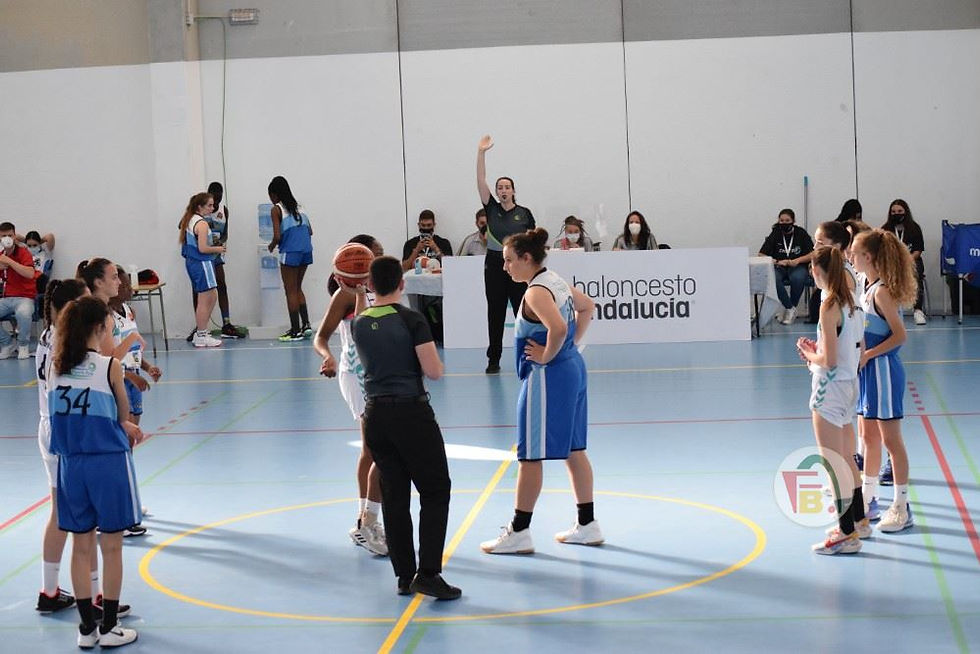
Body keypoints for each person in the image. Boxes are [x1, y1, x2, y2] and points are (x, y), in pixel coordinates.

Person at [480, 228, 603, 554]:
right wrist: (569, 347)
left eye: (509, 260)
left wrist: (548, 355)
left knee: (530, 456)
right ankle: (587, 524)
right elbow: (587, 306)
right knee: (574, 449)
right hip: (573, 369)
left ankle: (519, 531)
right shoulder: (554, 280)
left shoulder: (535, 293)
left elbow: (558, 328)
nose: (505, 267)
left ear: (526, 258)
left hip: (547, 378)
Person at [351, 256, 460, 600]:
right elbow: (434, 371)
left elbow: (365, 321)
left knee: (395, 495)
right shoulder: (411, 319)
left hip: (375, 415)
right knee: (435, 490)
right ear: (402, 284)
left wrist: (358, 294)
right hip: (411, 412)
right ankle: (428, 573)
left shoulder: (359, 323)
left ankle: (403, 575)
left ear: (371, 285)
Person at [48, 296, 143, 649]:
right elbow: (122, 414)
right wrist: (126, 426)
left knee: (81, 546)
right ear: (100, 328)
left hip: (71, 465)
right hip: (108, 463)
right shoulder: (109, 367)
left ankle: (86, 628)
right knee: (112, 547)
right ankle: (110, 627)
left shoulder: (56, 367)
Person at [314, 235, 387, 557]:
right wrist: (327, 357)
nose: (379, 258)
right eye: (374, 254)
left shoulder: (383, 289)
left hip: (381, 373)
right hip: (355, 374)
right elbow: (321, 337)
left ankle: (368, 520)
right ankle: (363, 522)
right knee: (373, 449)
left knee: (379, 449)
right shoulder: (344, 294)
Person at [796, 247, 869, 554]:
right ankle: (859, 521)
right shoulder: (853, 301)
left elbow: (828, 360)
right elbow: (854, 349)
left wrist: (808, 354)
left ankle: (845, 534)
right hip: (850, 385)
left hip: (829, 388)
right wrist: (821, 350)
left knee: (832, 462)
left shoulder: (828, 305)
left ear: (816, 271)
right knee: (847, 457)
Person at [851, 230, 918, 533]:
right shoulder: (865, 286)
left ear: (868, 257)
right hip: (867, 372)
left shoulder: (881, 293)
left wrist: (868, 354)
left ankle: (902, 507)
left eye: (854, 252)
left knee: (891, 440)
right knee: (868, 437)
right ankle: (868, 499)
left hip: (883, 372)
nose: (850, 256)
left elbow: (900, 336)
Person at [34, 279, 89, 615]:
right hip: (64, 430)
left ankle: (50, 590)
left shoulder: (47, 334)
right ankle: (94, 597)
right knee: (81, 517)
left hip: (49, 426)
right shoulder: (64, 342)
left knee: (59, 511)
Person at [476, 135, 536, 374]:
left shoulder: (524, 213)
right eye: (499, 187)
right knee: (495, 312)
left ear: (513, 191)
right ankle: (494, 359)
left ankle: (528, 355)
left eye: (507, 187)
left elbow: (533, 243)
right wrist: (481, 153)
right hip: (494, 264)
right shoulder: (491, 208)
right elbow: (480, 180)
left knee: (524, 311)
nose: (503, 190)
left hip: (518, 267)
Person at [186, 182, 242, 340]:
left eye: (218, 200)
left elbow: (225, 234)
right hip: (201, 255)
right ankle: (200, 327)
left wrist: (219, 242)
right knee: (199, 290)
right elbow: (184, 226)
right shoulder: (199, 213)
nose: (215, 204)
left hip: (215, 255)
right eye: (213, 201)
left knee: (220, 285)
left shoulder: (224, 211)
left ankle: (226, 323)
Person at [109, 266, 163, 425]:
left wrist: (148, 367)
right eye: (125, 286)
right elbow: (107, 356)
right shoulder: (107, 316)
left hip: (135, 373)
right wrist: (130, 376)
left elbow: (132, 350)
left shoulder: (130, 311)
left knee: (134, 427)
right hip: (120, 376)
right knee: (126, 424)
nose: (130, 289)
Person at [267, 175, 314, 341]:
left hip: (291, 251)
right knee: (298, 287)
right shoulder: (300, 207)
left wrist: (271, 245)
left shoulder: (276, 209)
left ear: (274, 194)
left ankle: (295, 330)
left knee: (290, 290)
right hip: (306, 251)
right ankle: (306, 325)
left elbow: (277, 236)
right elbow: (310, 231)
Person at [178, 192, 225, 348]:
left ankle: (201, 332)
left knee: (212, 296)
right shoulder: (202, 224)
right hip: (201, 263)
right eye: (209, 205)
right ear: (199, 207)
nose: (212, 208)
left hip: (194, 262)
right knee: (205, 299)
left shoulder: (190, 219)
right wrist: (218, 248)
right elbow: (203, 248)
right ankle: (202, 334)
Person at [401, 210, 452, 344]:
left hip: (438, 287)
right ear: (418, 225)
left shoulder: (443, 242)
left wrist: (436, 249)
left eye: (429, 226)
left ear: (434, 225)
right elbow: (404, 267)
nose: (426, 229)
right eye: (423, 226)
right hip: (416, 287)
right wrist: (416, 250)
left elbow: (450, 265)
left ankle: (440, 333)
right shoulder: (410, 243)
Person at [758, 209, 814, 324]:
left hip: (798, 265)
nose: (784, 223)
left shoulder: (801, 233)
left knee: (797, 277)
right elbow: (761, 254)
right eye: (781, 220)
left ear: (793, 221)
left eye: (787, 220)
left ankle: (790, 309)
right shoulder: (775, 233)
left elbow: (813, 254)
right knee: (772, 278)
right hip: (780, 266)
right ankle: (790, 308)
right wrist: (777, 261)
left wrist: (797, 261)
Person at [882, 199, 927, 325]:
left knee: (916, 271)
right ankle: (889, 310)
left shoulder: (915, 228)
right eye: (893, 212)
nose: (896, 214)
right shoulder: (885, 229)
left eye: (900, 211)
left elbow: (918, 250)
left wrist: (906, 261)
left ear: (905, 212)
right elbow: (882, 251)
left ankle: (918, 310)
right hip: (891, 262)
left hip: (911, 261)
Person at [0, 221, 38, 360]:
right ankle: (7, 344)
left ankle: (23, 345)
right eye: (3, 236)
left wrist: (10, 262)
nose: (7, 239)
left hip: (25, 297)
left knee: (24, 313)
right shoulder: (1, 255)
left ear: (15, 236)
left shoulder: (24, 253)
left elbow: (30, 273)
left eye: (10, 235)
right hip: (6, 298)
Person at [24, 229, 56, 294]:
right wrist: (26, 241)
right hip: (26, 284)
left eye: (35, 245)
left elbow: (50, 237)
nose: (32, 248)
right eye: (29, 246)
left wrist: (39, 241)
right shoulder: (24, 253)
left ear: (39, 243)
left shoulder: (46, 252)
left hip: (40, 284)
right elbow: (15, 238)